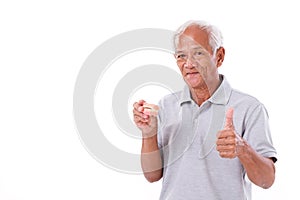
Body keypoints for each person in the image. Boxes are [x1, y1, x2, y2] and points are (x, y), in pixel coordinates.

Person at [132, 20, 277, 200]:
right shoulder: (167, 105)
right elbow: (152, 175)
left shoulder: (249, 108)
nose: (189, 64)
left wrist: (243, 149)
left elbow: (267, 180)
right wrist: (148, 133)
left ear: (220, 56)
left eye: (198, 53)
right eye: (181, 56)